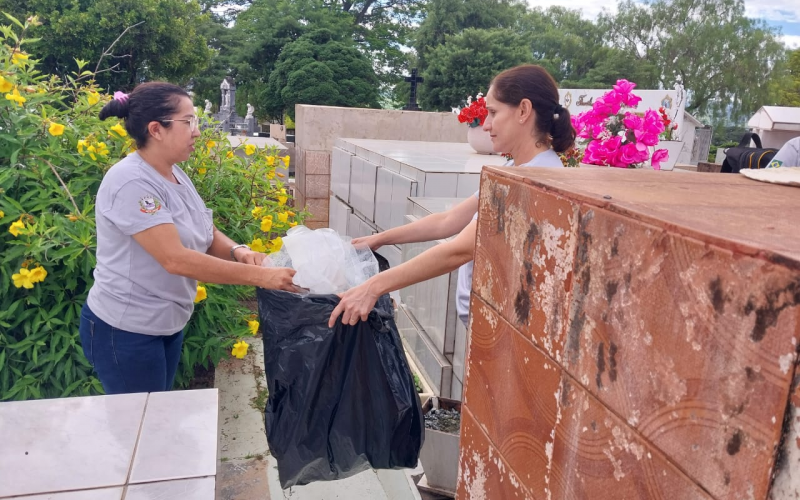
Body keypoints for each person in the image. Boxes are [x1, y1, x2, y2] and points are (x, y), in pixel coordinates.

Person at [80, 82, 297, 395]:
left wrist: (239, 251)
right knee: (141, 427)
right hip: (125, 330)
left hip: (165, 324)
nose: (197, 131)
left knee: (155, 415)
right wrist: (262, 276)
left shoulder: (173, 173)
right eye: (189, 122)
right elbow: (175, 258)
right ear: (156, 129)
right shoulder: (130, 182)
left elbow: (205, 232)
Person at [329, 64, 575, 328]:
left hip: (506, 330)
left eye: (493, 112)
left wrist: (373, 287)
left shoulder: (533, 180)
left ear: (524, 111)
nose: (486, 125)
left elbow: (459, 250)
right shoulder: (515, 170)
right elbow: (450, 220)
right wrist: (380, 239)